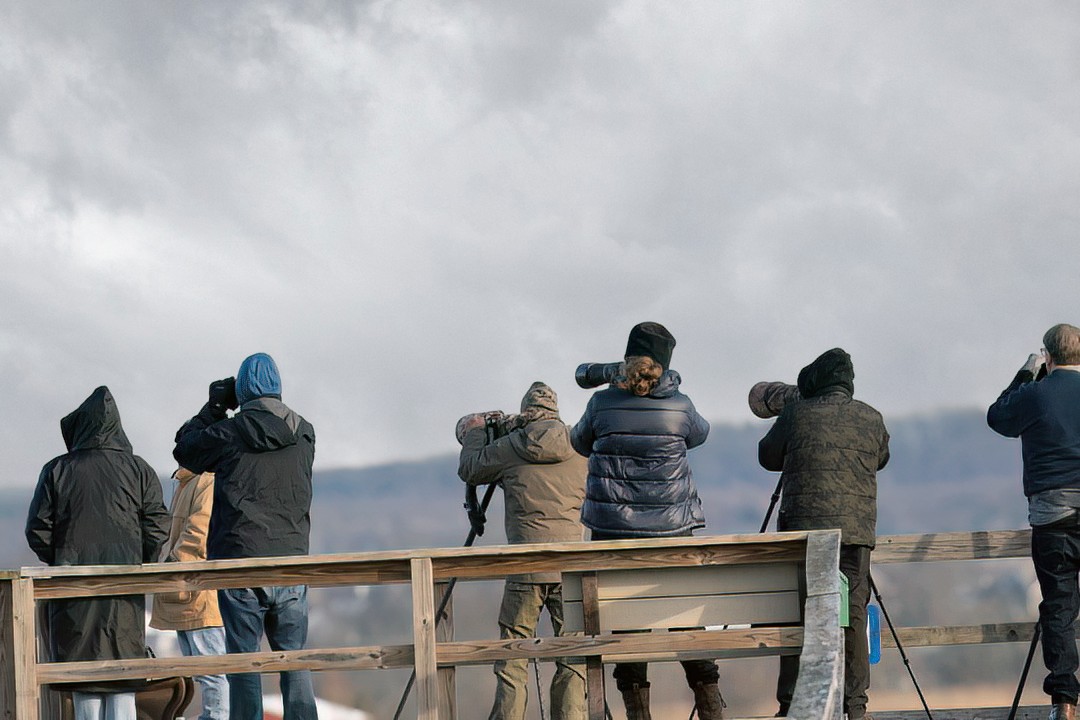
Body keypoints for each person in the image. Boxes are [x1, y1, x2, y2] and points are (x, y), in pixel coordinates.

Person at [570, 322, 724, 720]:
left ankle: (639, 716)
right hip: (674, 534)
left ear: (626, 358)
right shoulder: (681, 405)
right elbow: (700, 435)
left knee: (625, 627)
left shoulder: (601, 404)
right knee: (685, 621)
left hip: (613, 536)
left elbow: (578, 442)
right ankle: (711, 709)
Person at [174, 352, 318, 720]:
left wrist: (215, 407)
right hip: (292, 561)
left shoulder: (228, 433)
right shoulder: (304, 433)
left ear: (242, 390)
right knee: (294, 661)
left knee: (245, 663)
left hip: (240, 561)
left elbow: (185, 450)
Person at [756, 348, 890, 720]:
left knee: (798, 616)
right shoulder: (871, 417)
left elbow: (767, 455)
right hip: (855, 536)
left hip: (803, 536)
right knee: (854, 619)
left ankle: (791, 706)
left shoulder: (796, 413)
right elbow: (882, 457)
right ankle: (855, 708)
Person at [25, 386, 169, 720]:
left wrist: (62, 560)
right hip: (124, 595)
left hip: (73, 593)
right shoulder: (138, 469)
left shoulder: (57, 469)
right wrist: (139, 562)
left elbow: (37, 529)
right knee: (122, 680)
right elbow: (158, 523)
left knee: (84, 679)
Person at [457, 381, 588, 720]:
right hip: (572, 568)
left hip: (526, 567)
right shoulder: (580, 446)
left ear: (526, 414)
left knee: (513, 654)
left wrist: (475, 431)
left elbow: (470, 468)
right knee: (573, 654)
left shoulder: (514, 445)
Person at [987, 324, 1080, 720]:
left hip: (1053, 515)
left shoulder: (1036, 395)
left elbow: (998, 417)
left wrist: (1027, 372)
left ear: (1048, 355)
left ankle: (1065, 703)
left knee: (1059, 607)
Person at [150, 468, 229, 720]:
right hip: (186, 591)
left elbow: (200, 531)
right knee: (201, 669)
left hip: (197, 591)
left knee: (211, 670)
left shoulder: (206, 481)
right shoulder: (189, 481)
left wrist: (173, 564)